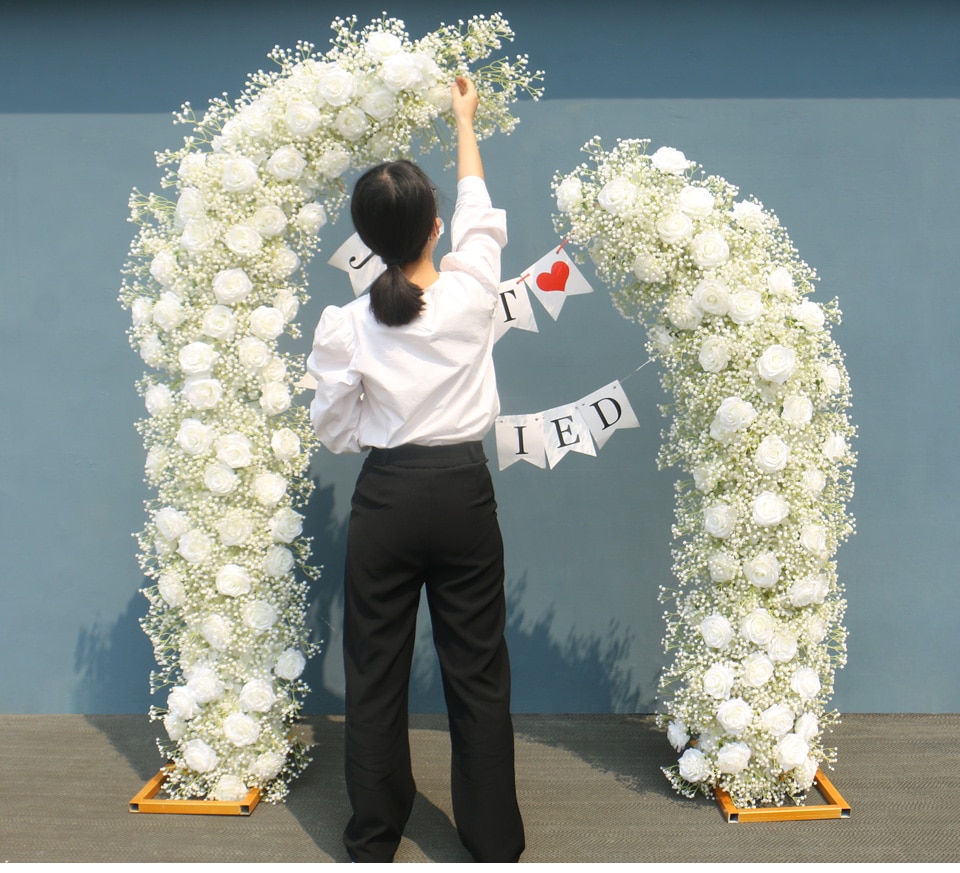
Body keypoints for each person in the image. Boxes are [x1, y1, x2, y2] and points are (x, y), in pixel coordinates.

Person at [306, 77, 525, 863]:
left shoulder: (347, 324)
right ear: (436, 229)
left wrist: (378, 429)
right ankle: (494, 840)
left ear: (367, 237)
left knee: (373, 673)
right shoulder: (473, 290)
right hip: (464, 494)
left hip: (389, 497)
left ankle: (372, 838)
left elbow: (334, 431)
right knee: (478, 671)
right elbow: (481, 209)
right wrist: (464, 122)